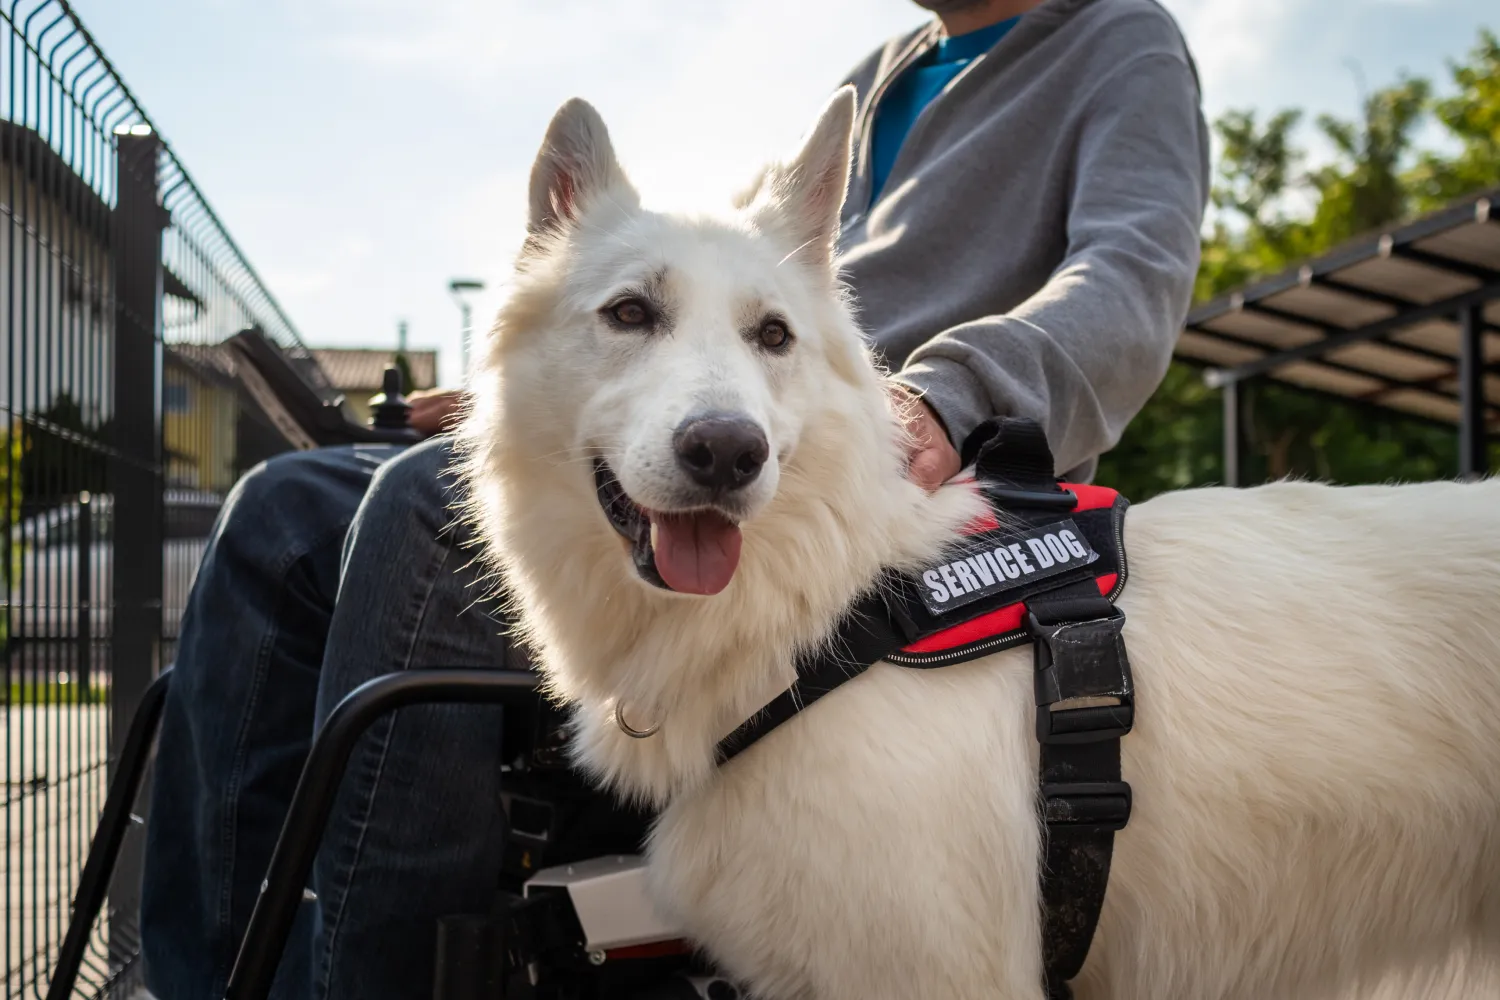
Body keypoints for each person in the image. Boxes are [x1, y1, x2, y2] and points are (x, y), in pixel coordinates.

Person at [140, 0, 1209, 996]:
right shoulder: (884, 74)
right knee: (282, 509)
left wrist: (947, 394)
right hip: (739, 401)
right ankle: (214, 978)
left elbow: (1131, 278)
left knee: (428, 509)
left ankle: (383, 982)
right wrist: (554, 382)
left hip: (906, 463)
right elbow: (711, 302)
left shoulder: (1118, 39)